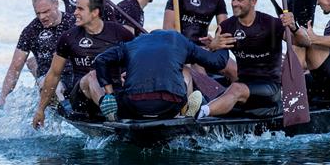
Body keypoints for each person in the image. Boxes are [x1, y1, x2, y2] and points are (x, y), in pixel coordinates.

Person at [32, 0, 134, 127]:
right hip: (82, 99)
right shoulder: (68, 38)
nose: (74, 13)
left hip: (114, 92)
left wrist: (128, 73)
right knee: (92, 75)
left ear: (95, 12)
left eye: (80, 9)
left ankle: (114, 106)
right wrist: (40, 109)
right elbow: (54, 75)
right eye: (75, 8)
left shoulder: (118, 32)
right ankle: (110, 112)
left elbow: (137, 57)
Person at [92, 30, 229, 121]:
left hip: (134, 105)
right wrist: (222, 46)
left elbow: (100, 60)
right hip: (170, 104)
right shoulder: (180, 41)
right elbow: (218, 63)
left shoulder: (132, 44)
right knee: (185, 72)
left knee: (121, 92)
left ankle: (112, 106)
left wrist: (109, 93)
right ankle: (185, 112)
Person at [197, 0, 285, 119]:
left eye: (240, 0)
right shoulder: (227, 26)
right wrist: (213, 47)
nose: (234, 3)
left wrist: (293, 27)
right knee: (226, 93)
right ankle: (201, 111)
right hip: (243, 84)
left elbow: (301, 42)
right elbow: (219, 62)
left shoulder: (271, 24)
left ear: (253, 1)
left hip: (270, 87)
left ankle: (199, 114)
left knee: (235, 89)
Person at [0, 0, 74, 115]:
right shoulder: (30, 31)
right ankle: (66, 113)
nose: (42, 17)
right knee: (51, 86)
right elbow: (15, 68)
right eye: (38, 13)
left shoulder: (74, 23)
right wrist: (2, 99)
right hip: (47, 79)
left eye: (46, 11)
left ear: (56, 4)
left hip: (73, 75)